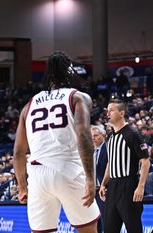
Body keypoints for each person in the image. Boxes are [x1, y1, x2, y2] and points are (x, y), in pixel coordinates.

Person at [13, 51, 100, 233]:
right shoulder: (78, 97)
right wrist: (90, 179)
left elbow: (19, 153)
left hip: (37, 176)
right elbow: (84, 136)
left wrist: (22, 186)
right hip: (68, 169)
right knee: (88, 229)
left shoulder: (28, 106)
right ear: (70, 71)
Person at [99, 99, 150, 233]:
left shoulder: (133, 134)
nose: (107, 113)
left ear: (121, 113)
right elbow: (111, 162)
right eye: (107, 110)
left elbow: (145, 161)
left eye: (111, 110)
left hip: (129, 184)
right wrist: (104, 183)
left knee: (133, 228)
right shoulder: (109, 136)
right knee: (109, 228)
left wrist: (141, 186)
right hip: (113, 186)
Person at [91, 125, 108, 233]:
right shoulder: (91, 151)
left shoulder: (108, 148)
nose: (93, 138)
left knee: (106, 221)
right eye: (91, 136)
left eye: (96, 135)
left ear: (103, 135)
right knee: (95, 221)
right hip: (93, 191)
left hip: (104, 190)